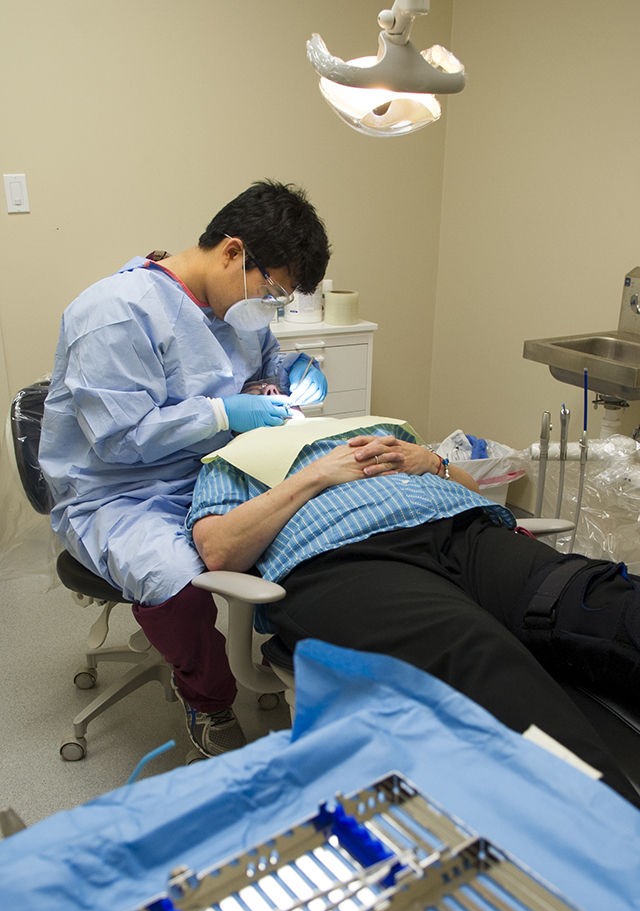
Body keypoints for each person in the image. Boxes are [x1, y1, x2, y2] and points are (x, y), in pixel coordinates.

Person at [39, 181, 331, 756]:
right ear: (232, 251)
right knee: (174, 581)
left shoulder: (234, 309)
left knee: (309, 529)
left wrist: (292, 372)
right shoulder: (111, 313)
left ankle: (285, 662)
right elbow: (119, 439)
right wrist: (224, 410)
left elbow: (261, 367)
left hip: (214, 467)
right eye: (271, 290)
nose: (269, 308)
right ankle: (210, 696)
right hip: (117, 493)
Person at [186, 418, 640, 779]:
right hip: (345, 560)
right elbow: (220, 549)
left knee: (596, 597)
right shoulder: (232, 461)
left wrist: (433, 462)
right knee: (477, 660)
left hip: (468, 531)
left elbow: (472, 488)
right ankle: (613, 843)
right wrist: (316, 476)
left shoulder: (381, 429)